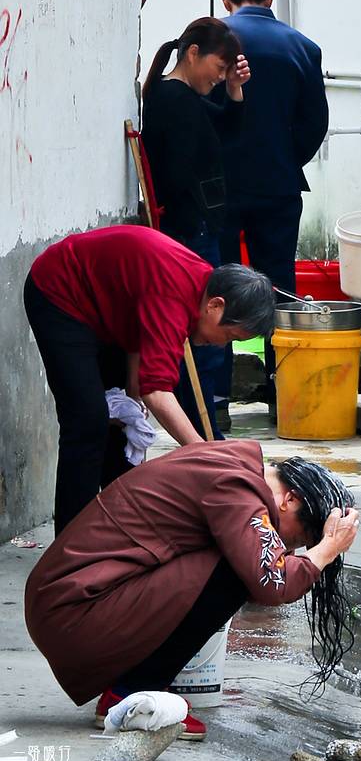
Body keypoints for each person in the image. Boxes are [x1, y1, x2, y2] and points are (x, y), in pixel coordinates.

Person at [24, 440, 359, 741]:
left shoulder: (233, 468)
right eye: (296, 539)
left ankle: (138, 686)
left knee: (244, 558)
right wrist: (326, 550)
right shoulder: (236, 486)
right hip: (76, 611)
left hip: (70, 605)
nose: (287, 547)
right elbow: (273, 581)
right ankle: (133, 693)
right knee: (238, 569)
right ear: (290, 499)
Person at [23, 225, 275, 534]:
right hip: (60, 293)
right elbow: (157, 390)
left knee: (122, 424)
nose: (223, 345)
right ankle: (70, 546)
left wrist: (133, 398)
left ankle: (119, 533)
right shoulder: (174, 293)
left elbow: (143, 336)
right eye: (230, 335)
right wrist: (205, 454)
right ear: (216, 305)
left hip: (108, 311)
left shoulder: (197, 288)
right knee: (88, 422)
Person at [216, 0, 329, 408]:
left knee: (218, 286)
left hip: (219, 187)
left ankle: (217, 397)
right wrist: (285, 158)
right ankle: (283, 394)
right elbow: (315, 123)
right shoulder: (303, 47)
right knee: (278, 285)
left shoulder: (213, 40)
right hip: (279, 185)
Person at [142, 17, 251, 436]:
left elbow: (226, 131)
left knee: (204, 338)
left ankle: (205, 430)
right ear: (192, 54)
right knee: (205, 335)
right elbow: (178, 174)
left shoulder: (180, 96)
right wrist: (197, 220)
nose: (220, 77)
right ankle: (204, 433)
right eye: (219, 68)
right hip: (189, 234)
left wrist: (234, 90)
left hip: (195, 229)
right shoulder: (174, 100)